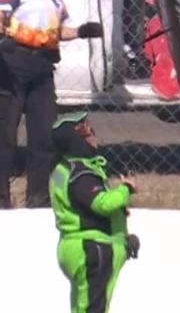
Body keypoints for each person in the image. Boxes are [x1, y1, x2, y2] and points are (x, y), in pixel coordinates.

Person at [0, 0, 103, 209]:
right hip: (12, 67)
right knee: (5, 136)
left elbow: (56, 30)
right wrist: (2, 41)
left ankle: (38, 197)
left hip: (42, 69)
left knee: (44, 137)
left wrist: (83, 31)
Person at [49, 112, 140, 313]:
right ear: (75, 139)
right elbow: (102, 204)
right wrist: (126, 190)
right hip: (90, 248)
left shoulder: (63, 170)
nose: (93, 132)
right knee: (92, 308)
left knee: (85, 306)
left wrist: (122, 242)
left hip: (78, 246)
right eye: (86, 128)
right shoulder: (81, 174)